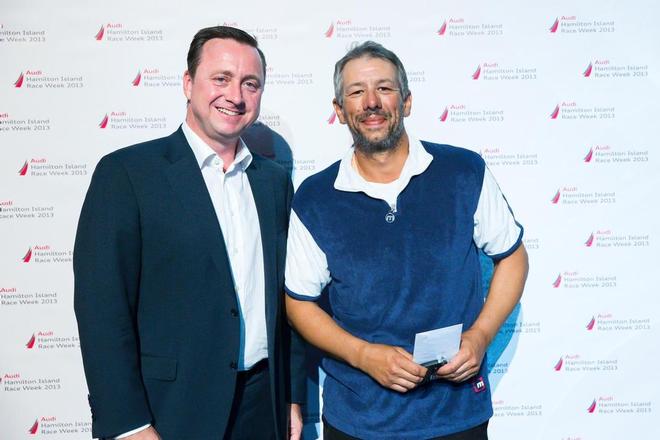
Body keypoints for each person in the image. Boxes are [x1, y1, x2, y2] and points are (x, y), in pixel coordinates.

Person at [284, 41, 528, 440]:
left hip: (458, 414)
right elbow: (298, 302)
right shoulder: (315, 198)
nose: (371, 102)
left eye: (384, 88)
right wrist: (364, 355)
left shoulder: (464, 171)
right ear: (340, 110)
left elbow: (513, 258)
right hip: (360, 421)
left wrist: (481, 336)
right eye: (356, 92)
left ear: (407, 101)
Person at [74, 26, 305, 440]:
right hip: (171, 412)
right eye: (221, 78)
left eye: (250, 83)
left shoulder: (272, 182)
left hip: (263, 406)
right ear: (187, 83)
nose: (235, 95)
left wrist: (290, 396)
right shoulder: (127, 175)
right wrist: (129, 424)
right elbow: (101, 310)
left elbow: (288, 301)